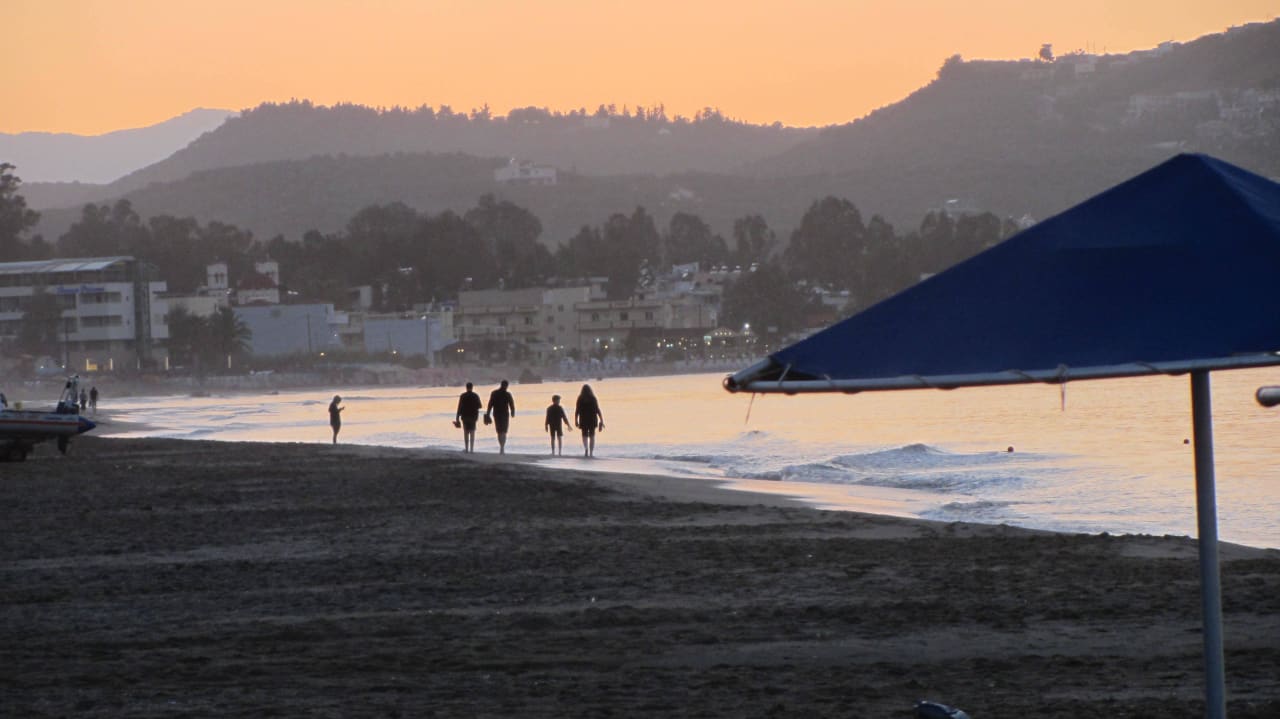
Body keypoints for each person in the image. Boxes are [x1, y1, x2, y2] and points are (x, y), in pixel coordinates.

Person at [485, 379, 516, 454]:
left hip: (497, 414)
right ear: (506, 386)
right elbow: (512, 404)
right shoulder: (507, 394)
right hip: (504, 415)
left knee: (499, 431)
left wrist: (488, 413)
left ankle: (501, 447)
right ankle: (502, 447)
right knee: (504, 431)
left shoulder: (494, 393)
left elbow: (490, 404)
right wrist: (512, 412)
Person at [574, 384, 604, 457]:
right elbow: (597, 409)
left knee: (584, 435)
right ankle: (591, 452)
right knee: (592, 436)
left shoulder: (580, 398)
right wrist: (601, 419)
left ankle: (586, 448)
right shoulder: (593, 398)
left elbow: (577, 410)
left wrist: (576, 420)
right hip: (592, 419)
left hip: (583, 419)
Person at [455, 382, 483, 453]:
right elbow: (480, 406)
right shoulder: (475, 396)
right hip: (473, 416)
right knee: (472, 432)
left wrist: (457, 418)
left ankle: (467, 449)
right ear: (472, 387)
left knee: (466, 432)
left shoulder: (463, 396)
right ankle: (472, 449)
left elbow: (459, 407)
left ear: (466, 387)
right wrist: (474, 406)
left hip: (465, 416)